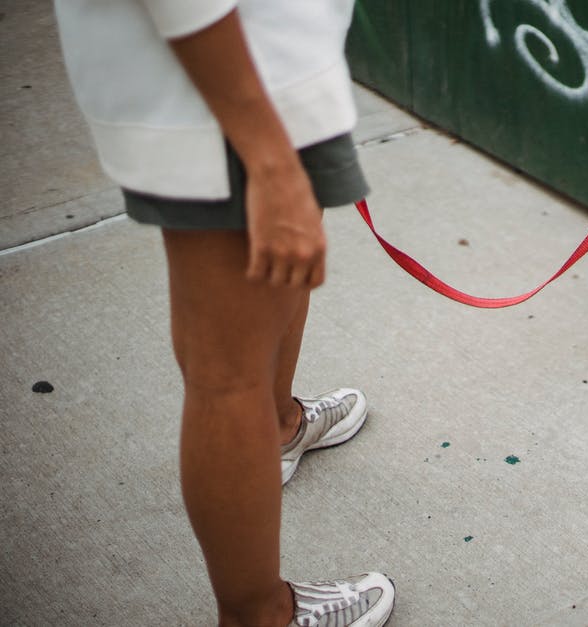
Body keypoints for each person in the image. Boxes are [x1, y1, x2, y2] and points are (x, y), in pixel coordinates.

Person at [54, 0, 394, 624]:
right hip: (224, 87)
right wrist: (266, 154)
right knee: (225, 372)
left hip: (266, 68)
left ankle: (280, 425)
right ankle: (260, 614)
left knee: (281, 271)